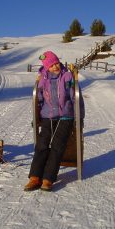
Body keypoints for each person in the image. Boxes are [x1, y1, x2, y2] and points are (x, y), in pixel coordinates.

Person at [25, 51, 85, 192]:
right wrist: (37, 117)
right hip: (48, 115)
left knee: (57, 145)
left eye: (56, 63)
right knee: (42, 144)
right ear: (46, 67)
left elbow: (76, 98)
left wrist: (79, 117)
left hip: (65, 116)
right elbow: (38, 99)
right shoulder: (43, 79)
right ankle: (35, 177)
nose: (55, 67)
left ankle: (48, 178)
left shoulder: (67, 76)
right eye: (51, 65)